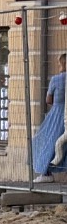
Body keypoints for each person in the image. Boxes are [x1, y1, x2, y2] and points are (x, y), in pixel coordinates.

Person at [34, 54, 67, 182]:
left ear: (62, 64)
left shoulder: (56, 79)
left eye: (59, 63)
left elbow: (48, 100)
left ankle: (46, 173)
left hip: (57, 114)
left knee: (47, 141)